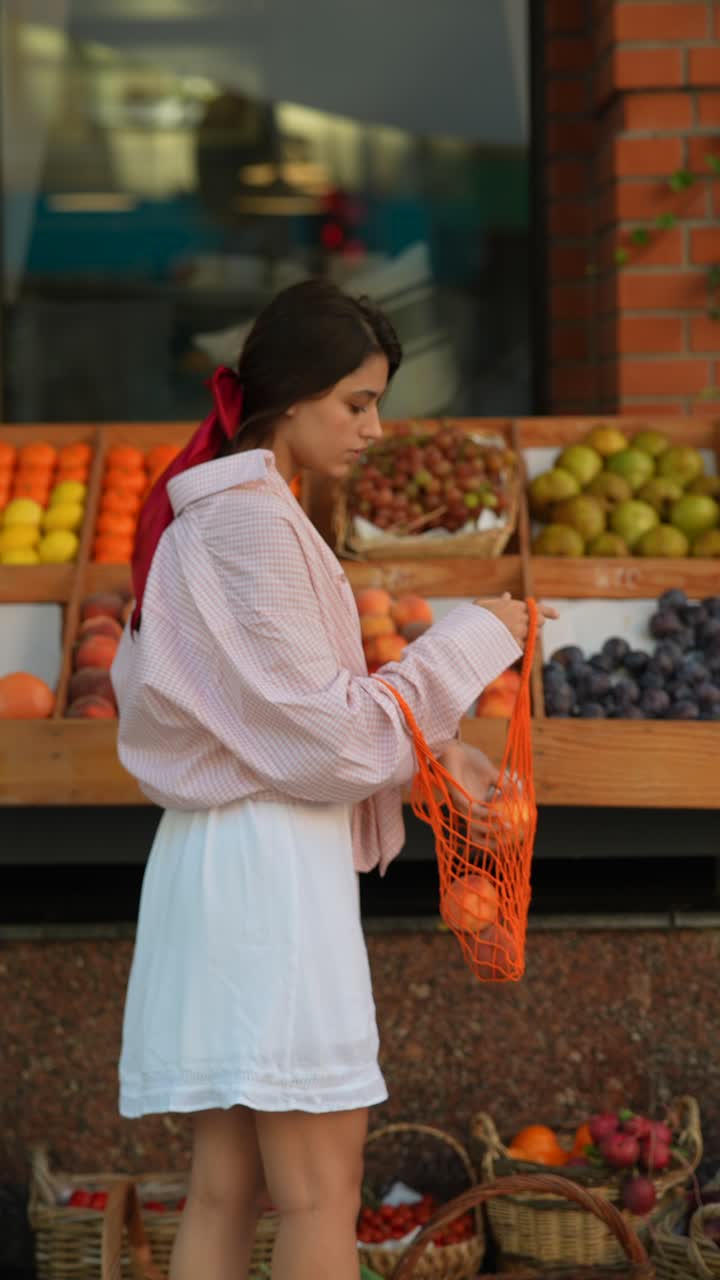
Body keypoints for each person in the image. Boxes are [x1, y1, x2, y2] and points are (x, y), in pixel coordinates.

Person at [111, 278, 558, 1280]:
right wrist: (479, 632)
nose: (375, 426)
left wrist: (436, 753)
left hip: (228, 859)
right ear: (292, 394)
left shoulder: (233, 517)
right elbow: (331, 739)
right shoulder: (250, 527)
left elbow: (294, 724)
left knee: (227, 1187)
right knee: (320, 1188)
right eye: (357, 401)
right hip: (267, 869)